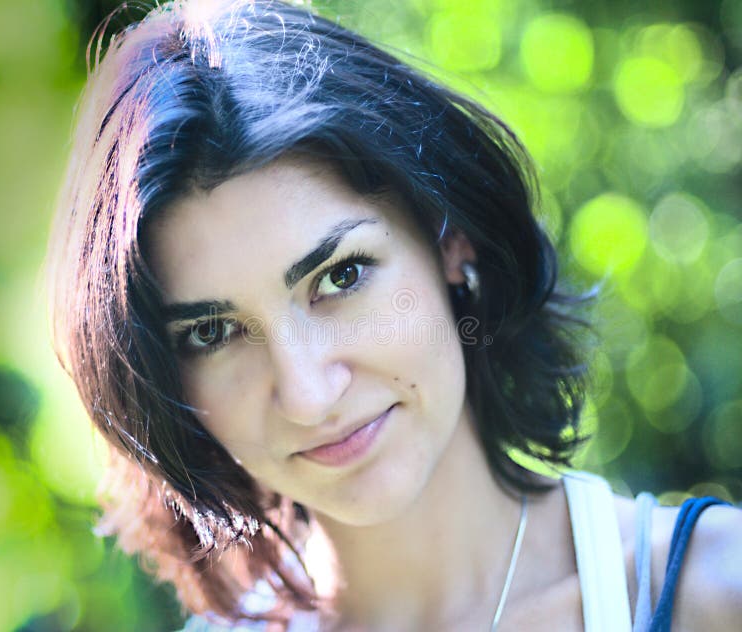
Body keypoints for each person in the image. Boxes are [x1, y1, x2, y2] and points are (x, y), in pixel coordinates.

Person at [46, 1, 741, 630]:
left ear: (450, 238)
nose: (309, 394)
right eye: (213, 332)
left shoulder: (711, 595)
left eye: (340, 277)